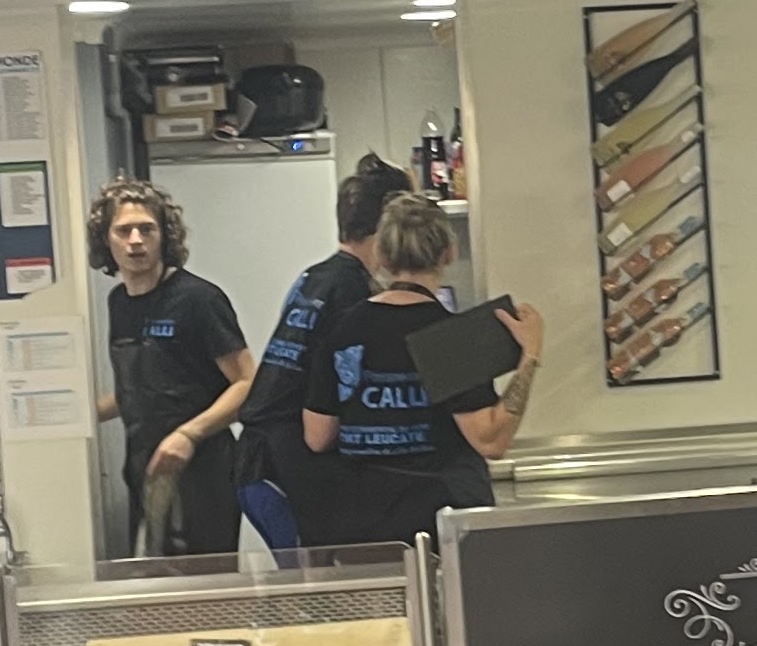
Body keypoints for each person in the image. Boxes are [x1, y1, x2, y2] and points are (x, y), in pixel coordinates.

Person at [298, 193, 542, 547]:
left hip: (361, 523)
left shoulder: (342, 328)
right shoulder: (450, 336)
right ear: (449, 253)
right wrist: (530, 356)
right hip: (437, 528)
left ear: (381, 255)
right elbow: (491, 440)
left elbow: (317, 436)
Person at [233, 154, 413, 553]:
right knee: (315, 585)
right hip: (283, 467)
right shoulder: (353, 293)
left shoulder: (314, 277)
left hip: (258, 459)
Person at [88, 176, 253, 557]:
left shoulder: (198, 299)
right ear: (106, 240)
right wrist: (80, 415)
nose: (135, 241)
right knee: (151, 575)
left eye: (146, 229)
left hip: (203, 469)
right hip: (144, 466)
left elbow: (247, 383)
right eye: (123, 231)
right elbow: (142, 387)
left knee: (203, 580)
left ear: (164, 236)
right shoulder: (118, 303)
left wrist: (189, 434)